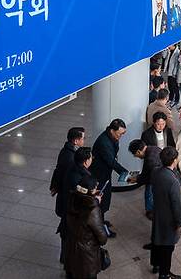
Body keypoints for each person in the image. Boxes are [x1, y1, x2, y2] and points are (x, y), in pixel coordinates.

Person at [50, 127, 85, 264]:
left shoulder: (67, 152)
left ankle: (66, 257)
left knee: (66, 229)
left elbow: (58, 172)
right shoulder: (71, 158)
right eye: (83, 138)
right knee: (68, 230)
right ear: (76, 140)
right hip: (67, 201)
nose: (84, 140)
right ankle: (66, 258)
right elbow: (70, 181)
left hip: (64, 199)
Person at [64, 174, 108, 279]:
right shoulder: (93, 210)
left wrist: (94, 199)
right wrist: (95, 202)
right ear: (90, 191)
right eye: (95, 188)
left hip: (72, 247)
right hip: (87, 255)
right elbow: (102, 238)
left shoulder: (72, 199)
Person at [89, 119, 128, 235]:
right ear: (112, 130)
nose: (121, 136)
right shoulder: (104, 143)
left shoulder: (111, 137)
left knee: (105, 200)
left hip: (105, 174)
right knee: (101, 201)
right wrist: (124, 172)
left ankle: (101, 219)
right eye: (120, 133)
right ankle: (101, 227)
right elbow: (111, 161)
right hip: (99, 176)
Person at [150, 147, 181, 279]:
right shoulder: (173, 181)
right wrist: (179, 223)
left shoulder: (156, 172)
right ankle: (165, 274)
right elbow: (177, 205)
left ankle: (156, 265)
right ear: (174, 161)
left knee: (157, 240)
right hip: (169, 218)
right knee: (167, 247)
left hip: (158, 212)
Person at [128, 139, 163, 223]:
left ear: (139, 151)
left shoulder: (150, 159)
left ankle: (151, 211)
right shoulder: (153, 148)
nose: (135, 156)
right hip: (160, 177)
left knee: (149, 191)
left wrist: (137, 179)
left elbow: (149, 177)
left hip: (159, 181)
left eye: (134, 154)